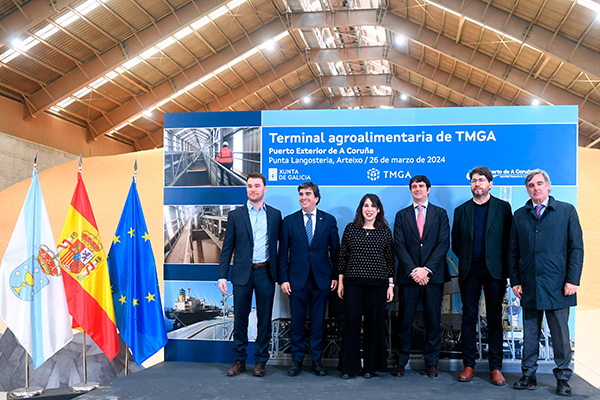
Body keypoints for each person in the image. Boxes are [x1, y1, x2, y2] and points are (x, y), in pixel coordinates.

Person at [509, 169, 583, 396]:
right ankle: (528, 375)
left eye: (539, 184)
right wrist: (515, 282)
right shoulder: (520, 215)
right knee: (530, 334)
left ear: (548, 186)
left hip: (559, 285)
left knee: (560, 335)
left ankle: (563, 378)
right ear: (527, 190)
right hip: (529, 286)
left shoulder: (566, 211)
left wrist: (573, 280)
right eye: (531, 185)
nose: (536, 188)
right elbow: (513, 252)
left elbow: (576, 248)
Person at [451, 166, 512, 385]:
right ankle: (469, 365)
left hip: (495, 271)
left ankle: (496, 367)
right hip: (470, 270)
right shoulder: (461, 210)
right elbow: (456, 243)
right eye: (474, 181)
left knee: (494, 320)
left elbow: (508, 241)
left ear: (490, 184)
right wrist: (470, 259)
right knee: (468, 319)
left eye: (481, 180)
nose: (477, 184)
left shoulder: (503, 208)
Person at [218, 172, 282, 377]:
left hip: (266, 273)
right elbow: (227, 247)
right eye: (249, 186)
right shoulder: (235, 215)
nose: (253, 189)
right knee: (240, 319)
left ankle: (261, 361)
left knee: (264, 319)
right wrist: (222, 276)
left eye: (257, 186)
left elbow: (281, 246)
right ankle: (239, 360)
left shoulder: (274, 215)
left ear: (265, 189)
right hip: (242, 275)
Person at [278, 181, 340, 376]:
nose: (303, 197)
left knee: (318, 322)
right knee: (296, 322)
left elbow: (336, 252)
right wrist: (283, 279)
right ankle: (296, 360)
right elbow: (282, 254)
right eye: (301, 194)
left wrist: (335, 276)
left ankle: (316, 361)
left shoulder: (328, 220)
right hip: (296, 281)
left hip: (321, 281)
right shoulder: (289, 221)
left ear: (316, 198)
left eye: (307, 194)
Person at [392, 175, 450, 378]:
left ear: (428, 189)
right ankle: (401, 361)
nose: (417, 189)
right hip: (409, 278)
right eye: (414, 186)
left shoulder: (440, 214)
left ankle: (432, 363)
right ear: (411, 190)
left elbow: (443, 243)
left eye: (421, 186)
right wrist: (414, 270)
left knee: (433, 321)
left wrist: (426, 270)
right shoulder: (401, 215)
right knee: (405, 321)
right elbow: (399, 245)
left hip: (433, 277)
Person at [337, 194, 395, 379]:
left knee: (375, 324)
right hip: (353, 283)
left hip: (378, 284)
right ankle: (349, 367)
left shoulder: (385, 231)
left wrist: (390, 285)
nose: (369, 209)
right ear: (361, 209)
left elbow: (390, 260)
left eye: (373, 206)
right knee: (351, 323)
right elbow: (342, 257)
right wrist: (340, 282)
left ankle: (371, 367)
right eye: (365, 205)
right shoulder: (350, 229)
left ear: (378, 210)